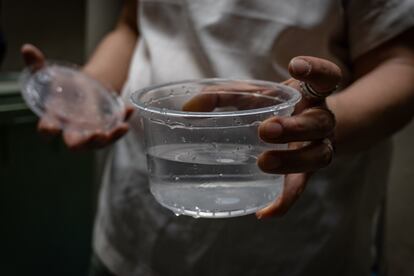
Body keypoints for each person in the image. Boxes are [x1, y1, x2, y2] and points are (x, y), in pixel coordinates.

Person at [22, 0, 414, 275]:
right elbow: (132, 24)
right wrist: (95, 91)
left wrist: (322, 124)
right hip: (133, 233)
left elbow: (402, 64)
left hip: (296, 249)